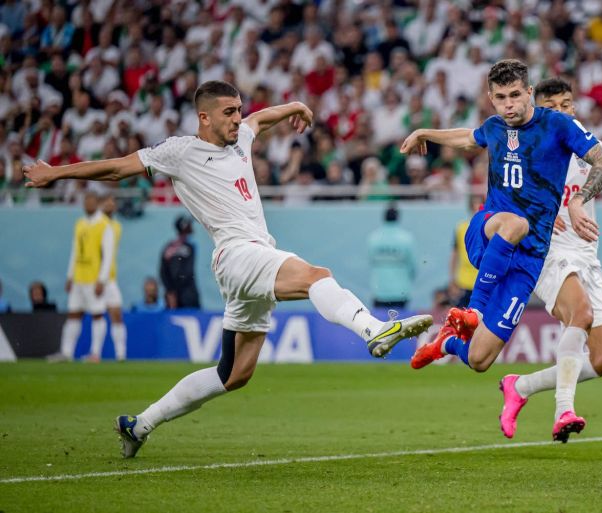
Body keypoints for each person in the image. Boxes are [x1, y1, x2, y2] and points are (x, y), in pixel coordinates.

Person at [25, 80, 433, 459]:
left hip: (248, 262)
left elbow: (261, 119)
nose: (238, 118)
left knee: (233, 374)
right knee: (316, 276)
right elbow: (117, 168)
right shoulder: (179, 151)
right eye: (229, 112)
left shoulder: (242, 139)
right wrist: (55, 173)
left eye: (238, 110)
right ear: (204, 117)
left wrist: (295, 106)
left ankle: (139, 425)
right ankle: (373, 330)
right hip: (236, 255)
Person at [398, 60, 602, 442]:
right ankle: (472, 311)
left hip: (528, 259)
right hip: (490, 229)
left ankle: (445, 342)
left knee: (480, 358)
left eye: (515, 95)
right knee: (516, 223)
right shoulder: (495, 127)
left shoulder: (558, 125)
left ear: (529, 92)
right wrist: (425, 132)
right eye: (500, 98)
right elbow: (467, 138)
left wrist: (578, 200)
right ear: (491, 98)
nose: (509, 105)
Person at [497, 77, 602, 442]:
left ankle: (520, 386)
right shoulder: (523, 150)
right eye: (552, 107)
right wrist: (538, 214)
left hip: (586, 256)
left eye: (566, 105)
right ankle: (563, 410)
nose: (562, 112)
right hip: (545, 252)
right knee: (580, 315)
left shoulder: (586, 145)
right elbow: (501, 203)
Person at [50, 190, 114, 362]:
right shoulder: (80, 223)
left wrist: (102, 280)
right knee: (73, 314)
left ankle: (95, 353)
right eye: (86, 201)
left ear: (97, 203)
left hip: (94, 279)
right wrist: (69, 275)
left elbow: (108, 255)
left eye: (91, 201)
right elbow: (75, 251)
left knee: (97, 314)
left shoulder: (104, 225)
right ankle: (66, 353)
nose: (88, 204)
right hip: (78, 278)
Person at [86, 193, 127, 362]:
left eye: (112, 202)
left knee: (116, 314)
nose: (110, 205)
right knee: (97, 314)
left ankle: (120, 355)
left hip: (109, 278)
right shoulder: (94, 224)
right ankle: (95, 353)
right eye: (107, 202)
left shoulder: (115, 226)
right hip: (95, 278)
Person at [367, 203, 416, 309]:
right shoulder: (406, 238)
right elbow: (413, 266)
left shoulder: (374, 238)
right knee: (401, 320)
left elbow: (371, 261)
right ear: (398, 217)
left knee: (380, 320)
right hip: (401, 291)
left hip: (379, 290)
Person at [449, 195, 484, 308]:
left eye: (479, 204)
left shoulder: (489, 227)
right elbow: (454, 254)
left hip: (483, 280)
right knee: (462, 315)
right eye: (474, 204)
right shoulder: (461, 227)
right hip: (464, 281)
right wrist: (452, 279)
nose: (477, 207)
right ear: (470, 206)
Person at [160, 215, 200, 309]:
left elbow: (163, 272)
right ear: (185, 228)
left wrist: (170, 291)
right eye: (189, 225)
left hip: (173, 296)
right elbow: (187, 272)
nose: (191, 227)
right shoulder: (189, 247)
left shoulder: (168, 247)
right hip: (187, 295)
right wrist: (172, 292)